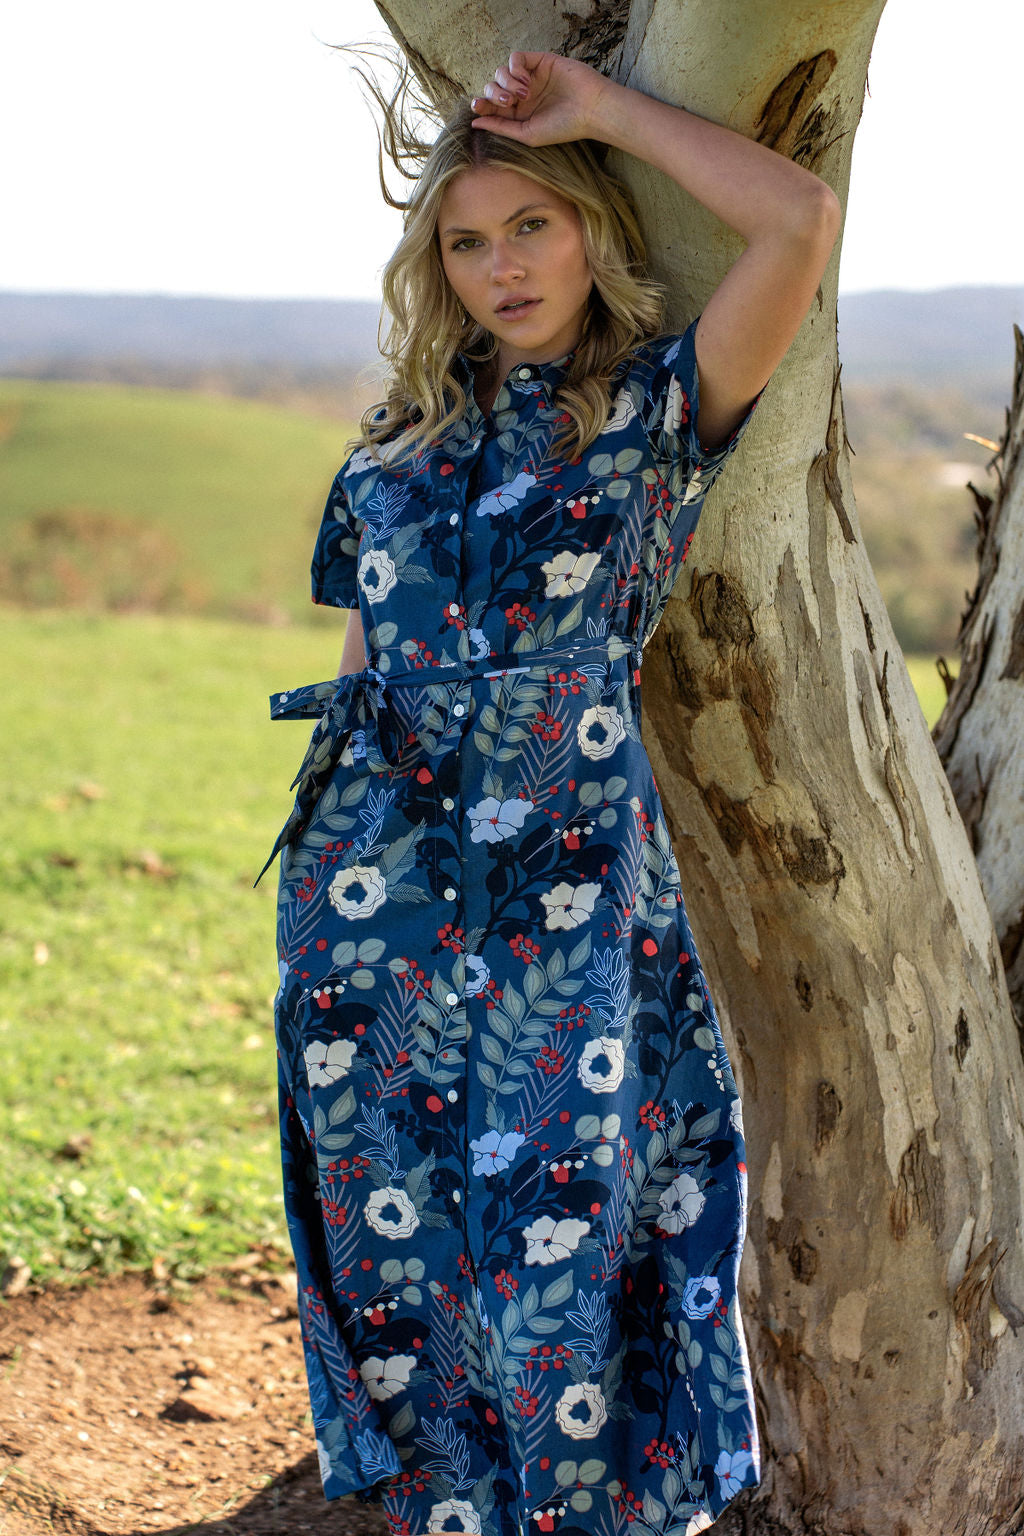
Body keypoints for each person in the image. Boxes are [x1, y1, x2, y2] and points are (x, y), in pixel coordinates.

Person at [262, 48, 839, 1536]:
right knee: (395, 1221)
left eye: (534, 225)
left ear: (594, 234)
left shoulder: (656, 408)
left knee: (570, 1212)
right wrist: (322, 884)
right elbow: (362, 663)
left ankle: (594, 1510)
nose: (503, 267)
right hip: (376, 890)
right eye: (468, 242)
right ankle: (447, 1508)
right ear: (437, 269)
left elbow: (796, 220)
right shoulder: (391, 446)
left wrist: (603, 112)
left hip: (568, 881)